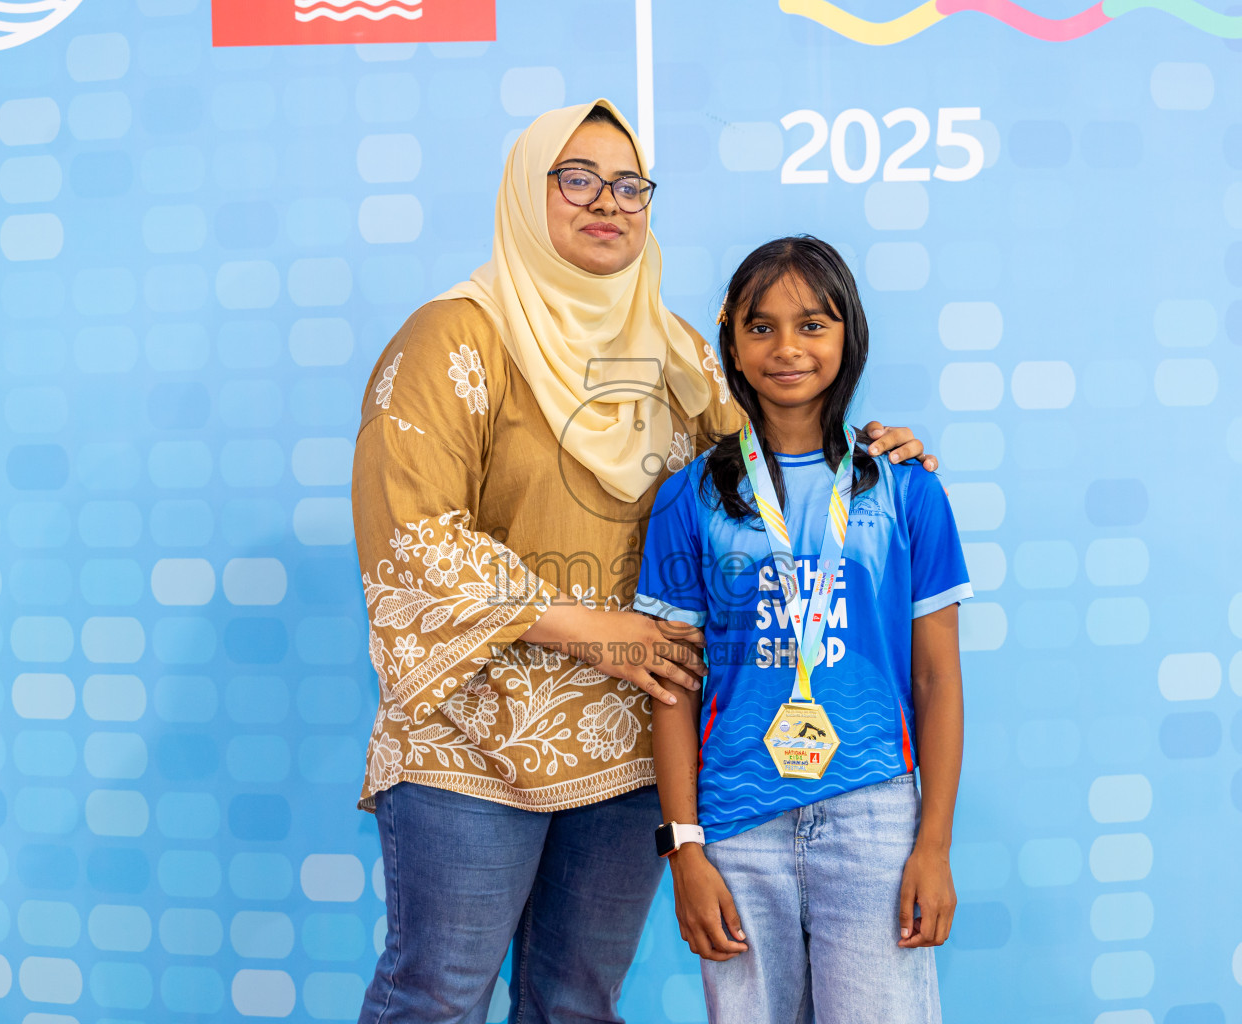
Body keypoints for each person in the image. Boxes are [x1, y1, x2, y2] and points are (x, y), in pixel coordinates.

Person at [350, 101, 935, 1024]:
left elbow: (764, 480)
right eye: (574, 178)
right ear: (523, 191)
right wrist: (595, 630)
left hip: (630, 751)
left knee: (577, 1003)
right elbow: (413, 537)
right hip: (472, 746)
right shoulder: (454, 340)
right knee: (437, 999)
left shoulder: (678, 354)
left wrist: (877, 457)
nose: (607, 203)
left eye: (629, 185)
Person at [637, 236, 971, 1023]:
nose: (787, 348)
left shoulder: (904, 492)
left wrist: (932, 844)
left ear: (848, 334)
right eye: (762, 328)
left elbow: (937, 681)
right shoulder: (690, 499)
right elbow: (673, 692)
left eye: (812, 325)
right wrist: (685, 848)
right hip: (737, 823)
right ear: (733, 345)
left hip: (875, 814)